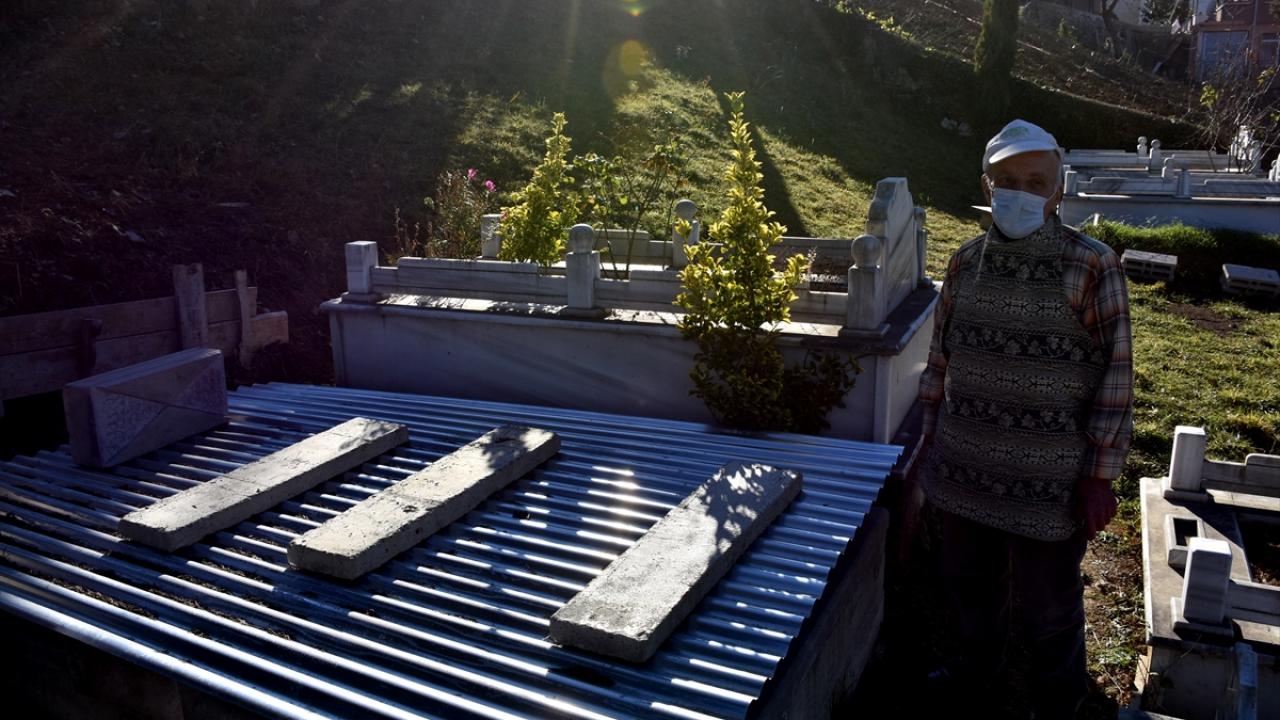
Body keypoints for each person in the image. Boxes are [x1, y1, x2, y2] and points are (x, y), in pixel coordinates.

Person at [917, 119, 1134, 719]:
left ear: (1058, 190)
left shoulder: (1091, 267)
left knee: (1051, 604)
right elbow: (938, 363)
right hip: (966, 469)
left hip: (1049, 483)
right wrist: (927, 446)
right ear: (987, 187)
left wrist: (1098, 475)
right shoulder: (964, 265)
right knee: (970, 588)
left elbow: (1116, 378)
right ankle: (974, 671)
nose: (1021, 192)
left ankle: (1059, 699)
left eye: (1035, 181)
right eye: (1007, 180)